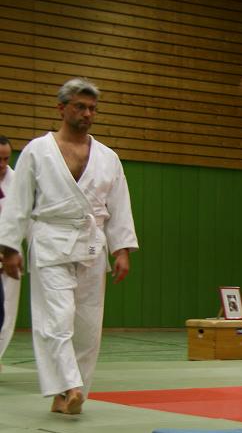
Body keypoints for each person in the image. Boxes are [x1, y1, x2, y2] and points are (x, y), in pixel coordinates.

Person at [0, 79, 138, 414]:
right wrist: (9, 248)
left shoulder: (107, 157)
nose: (87, 113)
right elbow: (18, 202)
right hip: (51, 241)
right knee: (57, 318)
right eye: (80, 106)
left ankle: (65, 397)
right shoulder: (38, 150)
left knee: (88, 327)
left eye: (92, 108)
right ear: (61, 108)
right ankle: (70, 386)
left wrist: (121, 249)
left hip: (92, 245)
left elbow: (119, 204)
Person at [0, 135, 16, 368]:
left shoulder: (17, 181)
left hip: (10, 253)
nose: (2, 164)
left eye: (6, 159)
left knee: (6, 310)